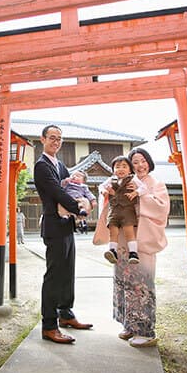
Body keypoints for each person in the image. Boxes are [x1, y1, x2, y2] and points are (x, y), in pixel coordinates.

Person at [93, 147, 169, 348]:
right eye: (135, 162)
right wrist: (108, 194)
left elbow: (162, 208)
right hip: (124, 242)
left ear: (149, 162)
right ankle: (128, 324)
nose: (140, 165)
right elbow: (108, 198)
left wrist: (140, 197)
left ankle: (145, 331)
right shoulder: (124, 181)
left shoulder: (156, 184)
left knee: (141, 285)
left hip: (142, 240)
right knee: (123, 282)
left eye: (143, 161)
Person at [33, 124, 94, 344]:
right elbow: (58, 193)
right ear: (42, 139)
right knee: (54, 276)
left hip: (66, 225)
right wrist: (81, 209)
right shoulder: (41, 166)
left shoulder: (60, 165)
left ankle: (66, 314)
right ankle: (49, 325)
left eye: (59, 138)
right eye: (52, 138)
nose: (56, 142)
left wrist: (87, 200)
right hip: (53, 226)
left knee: (68, 272)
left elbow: (73, 188)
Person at [102, 156, 141, 265]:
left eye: (124, 166)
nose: (121, 169)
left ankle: (133, 253)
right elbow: (101, 186)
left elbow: (144, 188)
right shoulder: (111, 180)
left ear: (130, 169)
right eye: (117, 167)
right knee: (113, 232)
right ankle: (112, 251)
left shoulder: (133, 179)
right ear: (113, 170)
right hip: (114, 210)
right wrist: (104, 191)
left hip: (127, 210)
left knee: (129, 232)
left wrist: (136, 192)